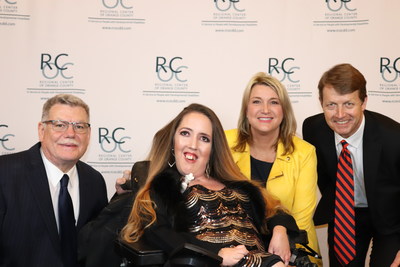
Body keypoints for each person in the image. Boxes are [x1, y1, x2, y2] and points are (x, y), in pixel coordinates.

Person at [121, 103, 300, 267]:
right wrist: (216, 255)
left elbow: (276, 211)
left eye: (204, 138)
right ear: (173, 141)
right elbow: (158, 233)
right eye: (185, 133)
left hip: (265, 260)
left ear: (213, 148)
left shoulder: (238, 186)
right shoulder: (163, 188)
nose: (193, 145)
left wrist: (279, 230)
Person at [302, 63, 400, 266]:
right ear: (321, 103)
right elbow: (323, 176)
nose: (339, 114)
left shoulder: (394, 138)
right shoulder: (313, 128)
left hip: (391, 218)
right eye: (331, 105)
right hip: (345, 213)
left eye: (348, 104)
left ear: (363, 102)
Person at [0, 94, 108, 267]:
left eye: (79, 126)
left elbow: (98, 244)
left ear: (89, 134)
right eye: (60, 125)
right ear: (41, 130)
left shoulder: (94, 181)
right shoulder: (4, 173)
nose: (71, 133)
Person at [225, 72, 320, 262]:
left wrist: (281, 230)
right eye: (257, 102)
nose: (265, 109)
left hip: (292, 249)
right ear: (246, 109)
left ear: (284, 110)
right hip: (237, 249)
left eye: (274, 102)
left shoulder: (305, 153)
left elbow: (301, 219)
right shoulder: (225, 143)